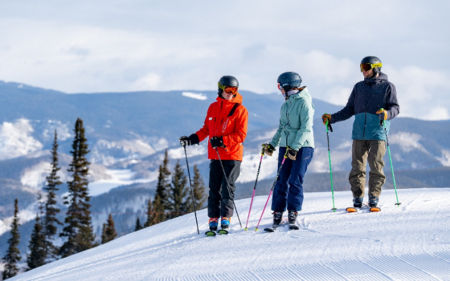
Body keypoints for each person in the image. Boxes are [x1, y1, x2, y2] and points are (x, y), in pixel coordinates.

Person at [322, 56, 400, 210]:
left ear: (376, 68)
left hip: (378, 133)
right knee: (357, 167)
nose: (363, 71)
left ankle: (374, 197)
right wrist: (332, 118)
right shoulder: (358, 87)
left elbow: (395, 108)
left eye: (366, 67)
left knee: (376, 166)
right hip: (359, 133)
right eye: (361, 67)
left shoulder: (387, 86)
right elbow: (349, 109)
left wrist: (386, 114)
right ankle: (357, 198)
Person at [180, 76, 248, 233]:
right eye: (228, 90)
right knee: (214, 189)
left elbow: (241, 135)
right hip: (216, 155)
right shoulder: (212, 107)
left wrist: (223, 141)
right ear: (221, 89)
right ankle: (213, 218)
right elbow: (206, 129)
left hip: (232, 155)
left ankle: (226, 217)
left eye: (234, 90)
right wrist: (191, 139)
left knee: (227, 187)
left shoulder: (240, 110)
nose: (231, 93)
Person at [263, 72, 315, 229]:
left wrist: (295, 147)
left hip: (303, 146)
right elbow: (281, 128)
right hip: (286, 146)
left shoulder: (304, 102)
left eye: (280, 86)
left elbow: (305, 128)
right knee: (281, 179)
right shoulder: (286, 105)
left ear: (286, 85)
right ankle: (278, 212)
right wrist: (272, 144)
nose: (279, 89)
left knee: (295, 180)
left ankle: (293, 211)